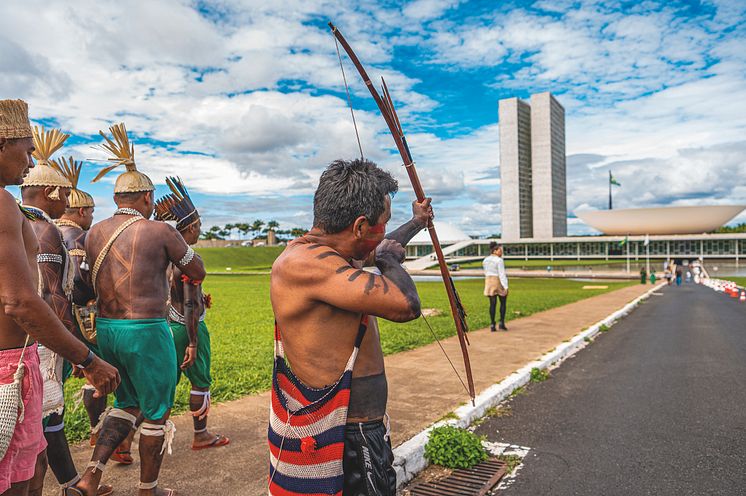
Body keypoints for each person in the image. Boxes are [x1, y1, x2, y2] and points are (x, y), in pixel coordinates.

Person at [269, 159, 424, 496]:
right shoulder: (306, 263)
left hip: (361, 428)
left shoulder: (334, 255)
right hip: (347, 433)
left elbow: (382, 247)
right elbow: (406, 304)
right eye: (383, 223)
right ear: (359, 227)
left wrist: (417, 222)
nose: (385, 230)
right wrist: (387, 262)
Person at [72, 123, 206, 496]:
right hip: (147, 330)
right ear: (146, 198)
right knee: (156, 412)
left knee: (125, 403)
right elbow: (197, 270)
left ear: (117, 199)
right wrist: (179, 246)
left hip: (108, 330)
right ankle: (148, 490)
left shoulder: (93, 231)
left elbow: (83, 285)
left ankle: (90, 477)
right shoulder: (161, 231)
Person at [0, 101, 119, 496]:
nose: (30, 159)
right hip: (14, 362)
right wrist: (85, 357)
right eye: (26, 148)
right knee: (21, 472)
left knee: (34, 457)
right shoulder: (16, 213)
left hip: (27, 351)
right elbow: (25, 301)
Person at [52, 156, 135, 465]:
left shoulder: (47, 229)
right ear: (84, 212)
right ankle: (101, 432)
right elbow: (77, 282)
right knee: (97, 376)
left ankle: (94, 432)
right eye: (91, 213)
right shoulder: (74, 237)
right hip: (77, 319)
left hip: (55, 321)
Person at [154, 177, 229, 451]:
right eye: (199, 226)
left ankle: (129, 440)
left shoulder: (166, 257)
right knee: (200, 380)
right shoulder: (187, 259)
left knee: (164, 383)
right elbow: (189, 304)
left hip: (167, 326)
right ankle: (201, 434)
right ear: (192, 227)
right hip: (187, 328)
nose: (200, 231)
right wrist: (194, 342)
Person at [483, 242, 508, 331]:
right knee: (503, 303)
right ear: (495, 251)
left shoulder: (485, 260)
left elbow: (485, 272)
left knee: (492, 304)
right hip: (497, 281)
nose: (501, 253)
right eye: (500, 251)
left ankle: (492, 324)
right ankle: (501, 322)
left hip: (489, 281)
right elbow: (502, 274)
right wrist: (505, 287)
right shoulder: (499, 260)